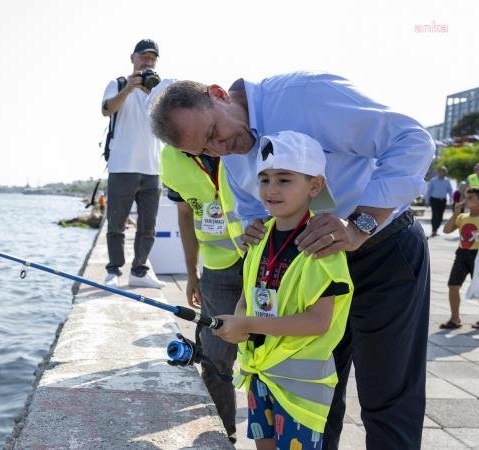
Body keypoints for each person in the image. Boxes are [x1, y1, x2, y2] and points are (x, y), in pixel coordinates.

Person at [150, 72, 434, 449]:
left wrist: (359, 224)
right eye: (205, 150)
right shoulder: (229, 154)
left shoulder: (305, 95)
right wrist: (254, 232)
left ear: (219, 95)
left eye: (215, 133)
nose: (220, 150)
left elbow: (412, 141)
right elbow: (249, 213)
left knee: (387, 398)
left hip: (381, 253)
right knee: (315, 398)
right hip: (309, 272)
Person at [213, 131, 353, 450]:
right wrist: (238, 323)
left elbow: (319, 321)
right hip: (260, 372)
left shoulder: (323, 245)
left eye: (284, 180)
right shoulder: (259, 237)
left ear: (314, 186)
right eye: (264, 179)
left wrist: (248, 325)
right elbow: (247, 296)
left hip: (300, 386)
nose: (271, 189)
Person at [160, 144, 243, 441]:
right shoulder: (170, 156)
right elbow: (185, 213)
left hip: (270, 261)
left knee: (273, 357)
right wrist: (191, 273)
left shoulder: (238, 133)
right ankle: (223, 437)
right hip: (218, 270)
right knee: (213, 358)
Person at [100, 39, 169, 288]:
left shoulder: (159, 89)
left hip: (152, 168)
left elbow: (171, 118)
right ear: (133, 58)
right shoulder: (117, 84)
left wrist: (156, 92)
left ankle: (139, 271)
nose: (148, 61)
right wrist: (129, 89)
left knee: (148, 227)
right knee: (116, 224)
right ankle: (113, 271)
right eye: (143, 57)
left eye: (152, 58)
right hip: (122, 166)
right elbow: (106, 110)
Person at [439, 187, 479, 329]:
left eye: (470, 198)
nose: (466, 201)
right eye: (465, 197)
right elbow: (446, 230)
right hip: (462, 254)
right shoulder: (462, 217)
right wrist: (455, 213)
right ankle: (455, 319)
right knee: (453, 285)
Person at [425, 166, 453, 237]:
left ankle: (436, 229)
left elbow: (450, 190)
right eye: (441, 171)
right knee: (435, 215)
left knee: (440, 216)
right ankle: (434, 230)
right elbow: (428, 191)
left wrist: (451, 197)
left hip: (443, 200)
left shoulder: (447, 181)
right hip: (434, 200)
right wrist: (427, 201)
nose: (442, 173)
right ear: (438, 172)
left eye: (444, 172)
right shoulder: (433, 180)